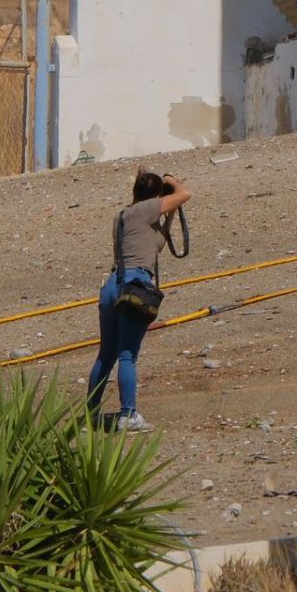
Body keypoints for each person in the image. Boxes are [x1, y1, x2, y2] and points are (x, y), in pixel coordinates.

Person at [88, 168, 190, 432]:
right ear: (155, 196)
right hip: (135, 285)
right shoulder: (147, 209)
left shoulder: (123, 216)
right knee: (127, 356)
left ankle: (90, 414)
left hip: (113, 286)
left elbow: (156, 242)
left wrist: (167, 219)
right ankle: (128, 415)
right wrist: (171, 180)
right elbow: (185, 194)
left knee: (106, 355)